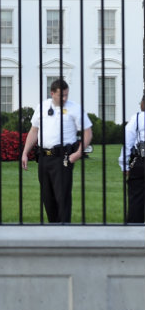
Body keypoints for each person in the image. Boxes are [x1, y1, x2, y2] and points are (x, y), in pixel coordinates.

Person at [21, 79, 92, 223]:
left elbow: (88, 132)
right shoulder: (42, 107)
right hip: (44, 157)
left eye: (66, 95)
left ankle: (64, 228)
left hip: (64, 157)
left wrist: (78, 153)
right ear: (52, 93)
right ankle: (53, 228)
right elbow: (34, 130)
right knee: (47, 196)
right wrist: (25, 152)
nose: (65, 98)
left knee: (62, 195)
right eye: (61, 95)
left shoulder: (74, 108)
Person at [118, 95, 145, 223]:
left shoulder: (137, 118)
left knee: (136, 200)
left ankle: (135, 230)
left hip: (140, 161)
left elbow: (127, 143)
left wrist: (124, 165)